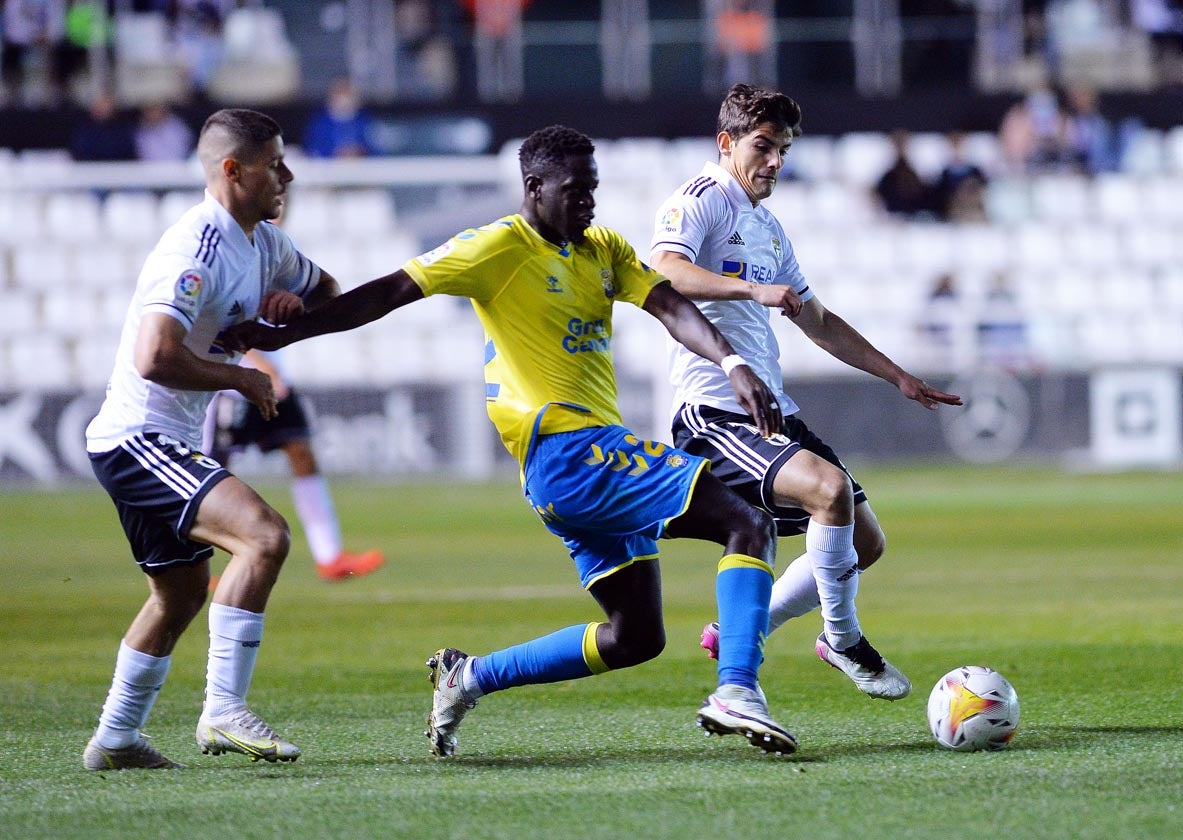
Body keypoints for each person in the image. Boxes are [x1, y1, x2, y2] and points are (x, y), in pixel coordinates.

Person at [225, 124, 798, 758]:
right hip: (572, 451)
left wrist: (731, 362)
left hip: (572, 470)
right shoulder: (496, 247)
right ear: (534, 187)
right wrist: (282, 336)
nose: (588, 202)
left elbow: (670, 306)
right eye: (575, 190)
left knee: (635, 637)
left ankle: (468, 676)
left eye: (593, 189)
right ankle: (737, 688)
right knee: (747, 522)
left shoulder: (603, 248)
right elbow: (389, 292)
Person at [650, 83, 962, 702]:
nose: (774, 162)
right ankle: (842, 638)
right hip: (714, 412)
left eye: (784, 151)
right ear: (726, 142)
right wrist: (752, 290)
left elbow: (817, 320)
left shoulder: (767, 227)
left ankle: (749, 627)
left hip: (771, 410)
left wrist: (896, 375)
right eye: (763, 146)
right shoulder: (700, 199)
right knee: (830, 491)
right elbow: (665, 269)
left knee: (865, 542)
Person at [82, 108, 341, 770]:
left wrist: (288, 314)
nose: (287, 175)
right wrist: (240, 376)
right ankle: (223, 709)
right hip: (138, 437)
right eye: (274, 164)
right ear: (233, 170)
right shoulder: (193, 250)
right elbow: (154, 356)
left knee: (179, 595)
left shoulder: (267, 244)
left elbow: (330, 292)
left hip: (156, 439)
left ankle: (114, 739)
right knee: (265, 536)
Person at [204, 348, 386, 581]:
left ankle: (330, 557)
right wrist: (261, 363)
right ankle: (196, 566)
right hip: (234, 386)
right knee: (212, 470)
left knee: (302, 455)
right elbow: (229, 329)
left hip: (275, 381)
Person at [302, 78, 378, 159]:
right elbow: (312, 148)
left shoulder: (366, 122)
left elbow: (376, 147)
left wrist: (359, 152)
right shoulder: (320, 123)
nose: (344, 99)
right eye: (340, 93)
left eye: (347, 93)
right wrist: (335, 152)